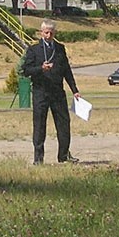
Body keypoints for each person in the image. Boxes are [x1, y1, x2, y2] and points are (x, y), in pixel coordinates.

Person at [21, 19, 81, 165]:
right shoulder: (34, 49)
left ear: (54, 33)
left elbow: (67, 70)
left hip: (58, 93)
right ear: (41, 33)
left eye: (51, 32)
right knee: (40, 125)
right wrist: (40, 68)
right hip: (40, 92)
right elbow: (26, 71)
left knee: (64, 123)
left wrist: (75, 90)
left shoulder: (60, 48)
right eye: (46, 32)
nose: (48, 35)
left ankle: (64, 155)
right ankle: (38, 159)